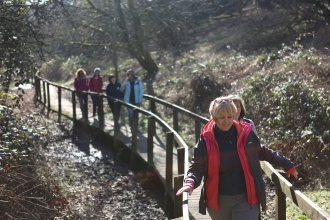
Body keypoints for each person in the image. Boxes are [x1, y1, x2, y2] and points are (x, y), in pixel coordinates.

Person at [176, 96, 298, 220]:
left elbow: (263, 152)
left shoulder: (245, 134)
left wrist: (286, 164)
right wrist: (190, 182)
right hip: (219, 201)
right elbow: (197, 167)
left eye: (230, 117)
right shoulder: (205, 140)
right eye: (222, 117)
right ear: (214, 118)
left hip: (246, 198)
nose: (226, 121)